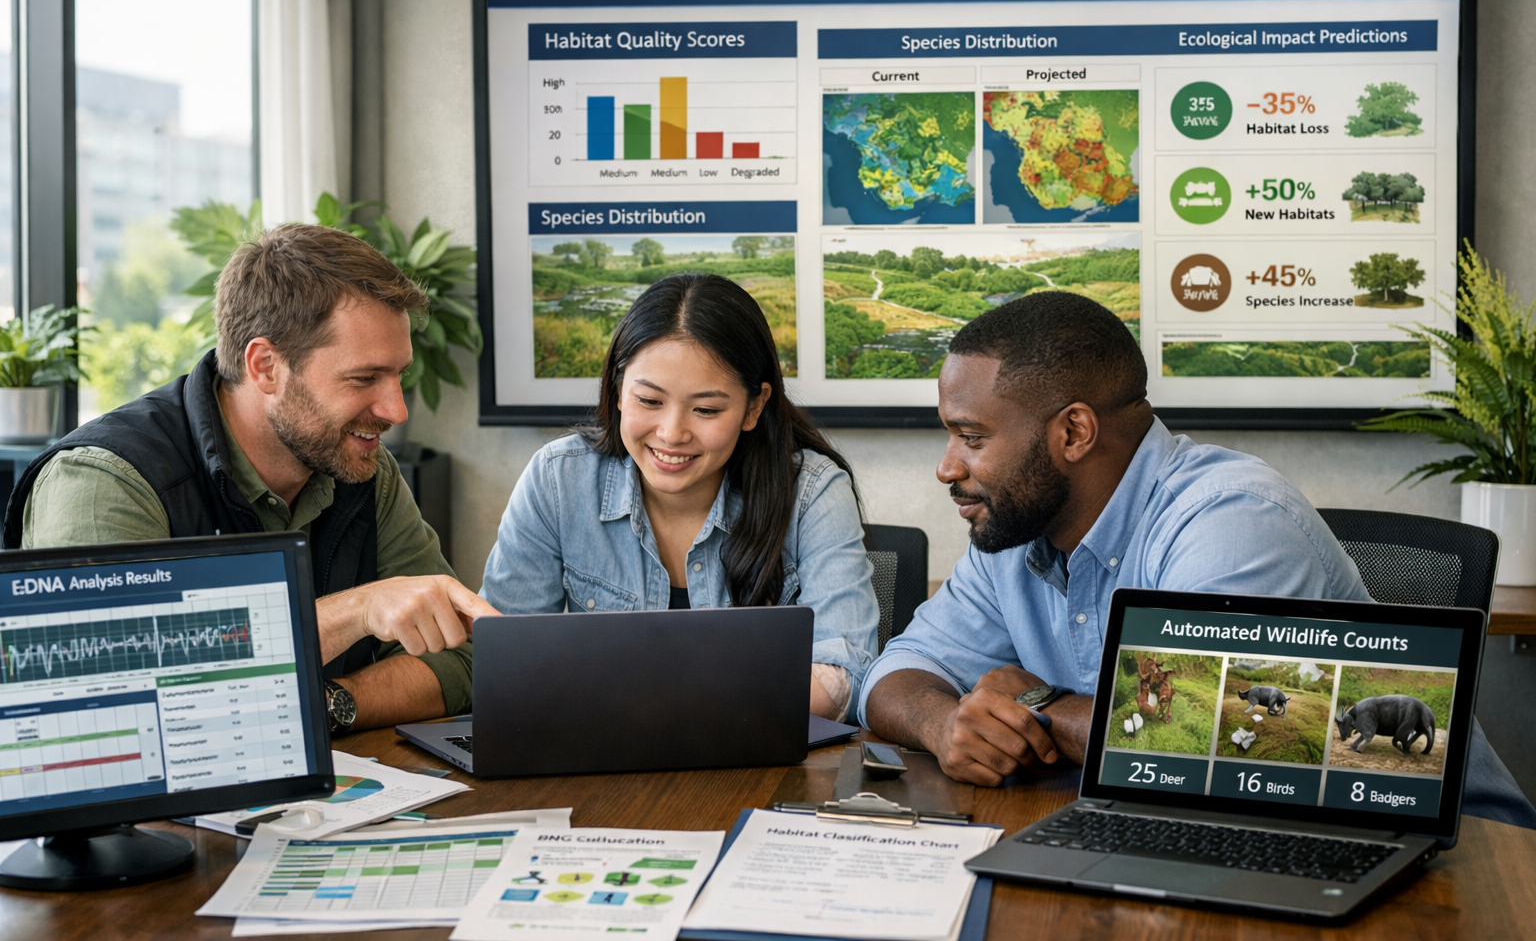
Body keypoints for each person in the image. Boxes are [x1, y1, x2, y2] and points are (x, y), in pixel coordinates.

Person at [859, 291, 1535, 826]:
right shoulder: (1012, 528)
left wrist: (1034, 701)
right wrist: (944, 721)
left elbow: (1207, 743)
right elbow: (894, 672)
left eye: (971, 437)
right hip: (1188, 829)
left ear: (1073, 432)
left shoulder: (1232, 519)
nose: (948, 467)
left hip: (1450, 864)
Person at [4, 223, 498, 732]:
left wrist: (326, 704)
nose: (396, 410)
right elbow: (103, 694)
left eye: (399, 376)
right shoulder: (104, 480)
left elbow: (462, 661)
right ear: (265, 366)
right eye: (364, 378)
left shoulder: (363, 469)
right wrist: (356, 611)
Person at [481, 273, 878, 721]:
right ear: (617, 389)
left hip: (753, 770)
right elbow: (503, 663)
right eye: (649, 401)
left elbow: (844, 674)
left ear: (754, 407)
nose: (672, 434)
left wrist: (665, 707)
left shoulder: (812, 492)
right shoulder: (557, 479)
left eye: (706, 410)